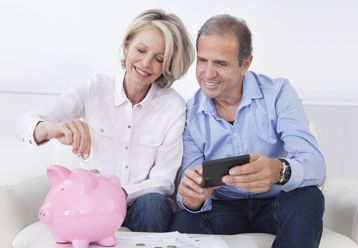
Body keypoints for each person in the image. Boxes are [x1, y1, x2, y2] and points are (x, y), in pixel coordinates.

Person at [15, 9, 194, 232]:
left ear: (167, 65)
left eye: (159, 59)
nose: (146, 63)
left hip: (141, 203)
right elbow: (23, 124)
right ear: (127, 45)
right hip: (94, 203)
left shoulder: (173, 106)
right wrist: (51, 128)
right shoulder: (95, 89)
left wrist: (119, 191)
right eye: (141, 50)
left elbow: (164, 180)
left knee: (154, 204)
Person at [170, 14, 326, 248]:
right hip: (224, 210)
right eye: (203, 60)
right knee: (184, 221)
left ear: (245, 63)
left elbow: (315, 164)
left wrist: (278, 171)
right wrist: (191, 198)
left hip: (276, 202)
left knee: (308, 197)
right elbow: (188, 179)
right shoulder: (189, 113)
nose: (208, 73)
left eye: (221, 63)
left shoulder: (278, 94)